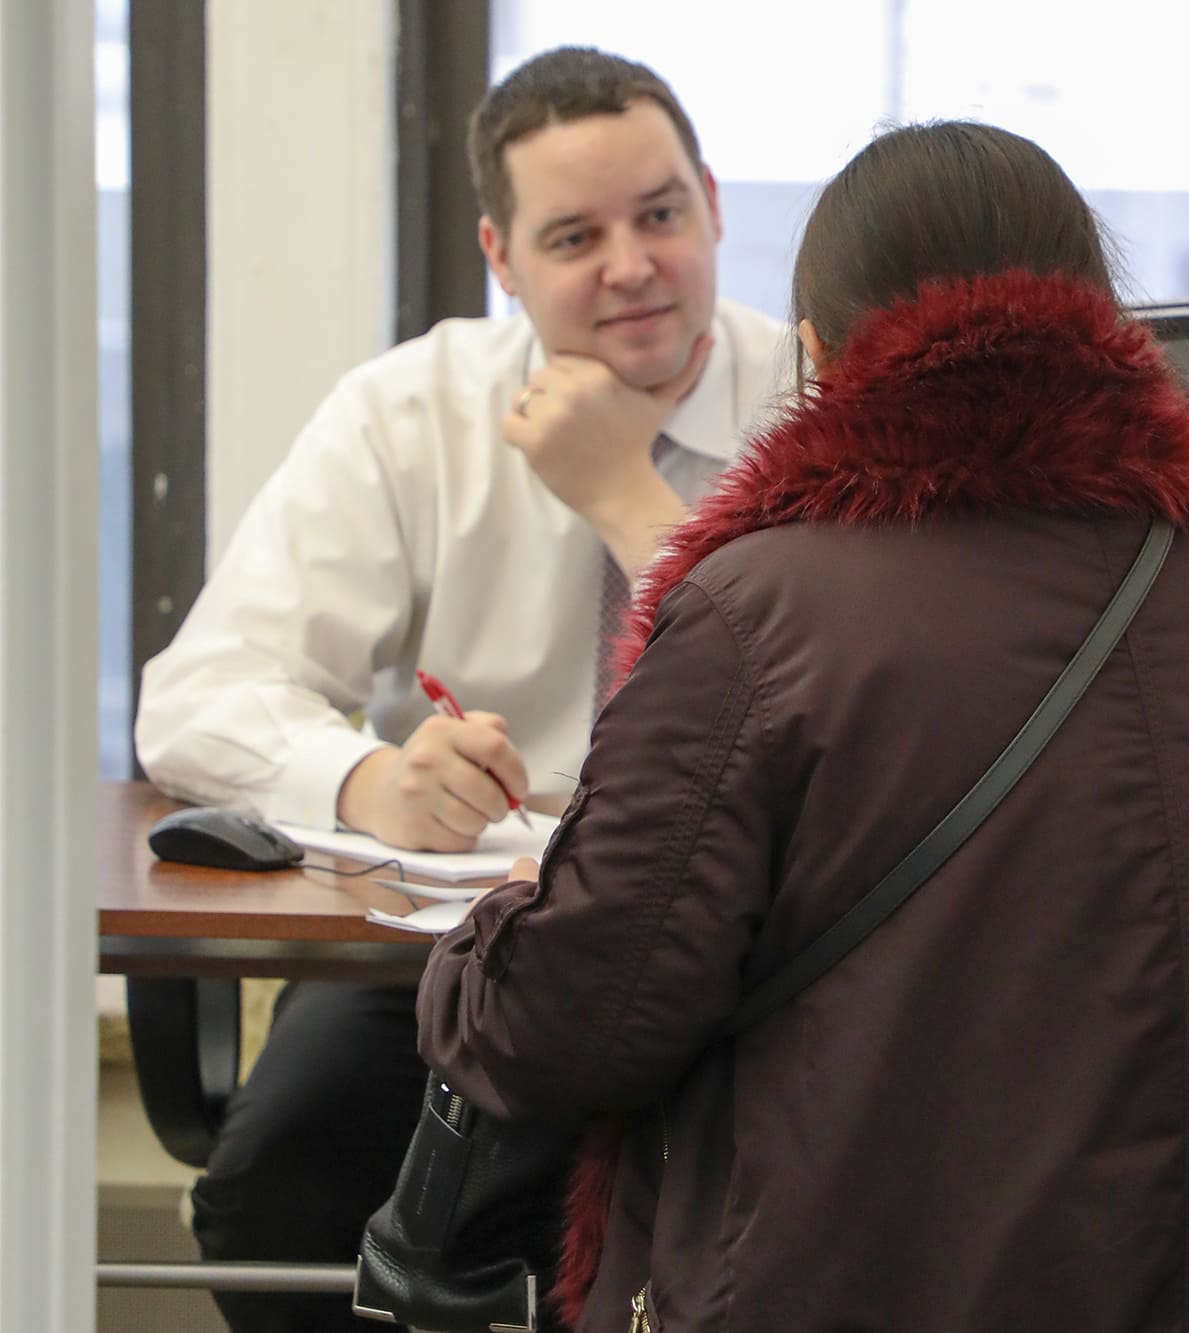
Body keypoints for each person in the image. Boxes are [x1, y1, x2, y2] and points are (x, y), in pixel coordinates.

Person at [418, 120, 1189, 1332]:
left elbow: (560, 1029)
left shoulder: (758, 617)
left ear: (813, 356)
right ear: (1109, 327)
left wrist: (492, 928)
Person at [134, 48, 786, 1332]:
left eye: (661, 214)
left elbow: (825, 710)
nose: (633, 266)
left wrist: (623, 494)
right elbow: (200, 690)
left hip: (741, 948)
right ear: (500, 255)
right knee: (276, 1187)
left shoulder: (809, 397)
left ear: (713, 201)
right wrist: (370, 777)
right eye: (573, 235)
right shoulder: (413, 409)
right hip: (470, 942)